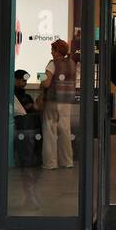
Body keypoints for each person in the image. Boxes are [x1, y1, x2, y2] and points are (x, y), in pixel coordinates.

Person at [39, 39, 77, 170]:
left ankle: (50, 163)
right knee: (65, 131)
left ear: (57, 51)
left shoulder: (52, 64)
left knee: (50, 131)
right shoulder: (72, 63)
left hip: (53, 100)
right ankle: (67, 161)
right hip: (66, 101)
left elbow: (46, 83)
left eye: (52, 50)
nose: (51, 52)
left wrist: (40, 76)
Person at [12, 69, 40, 168]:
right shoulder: (13, 94)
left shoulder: (25, 95)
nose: (25, 83)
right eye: (23, 80)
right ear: (16, 80)